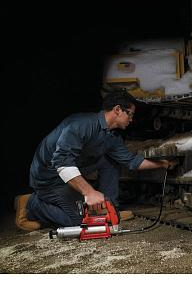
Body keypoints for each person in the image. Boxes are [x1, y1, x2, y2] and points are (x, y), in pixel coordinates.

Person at [15, 91, 177, 231]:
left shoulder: (112, 137)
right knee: (79, 221)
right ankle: (31, 203)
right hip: (48, 178)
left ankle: (109, 207)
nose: (131, 119)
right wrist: (89, 192)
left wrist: (162, 164)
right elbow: (62, 162)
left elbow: (131, 161)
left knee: (109, 159)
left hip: (68, 172)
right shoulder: (81, 124)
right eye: (130, 114)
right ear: (117, 110)